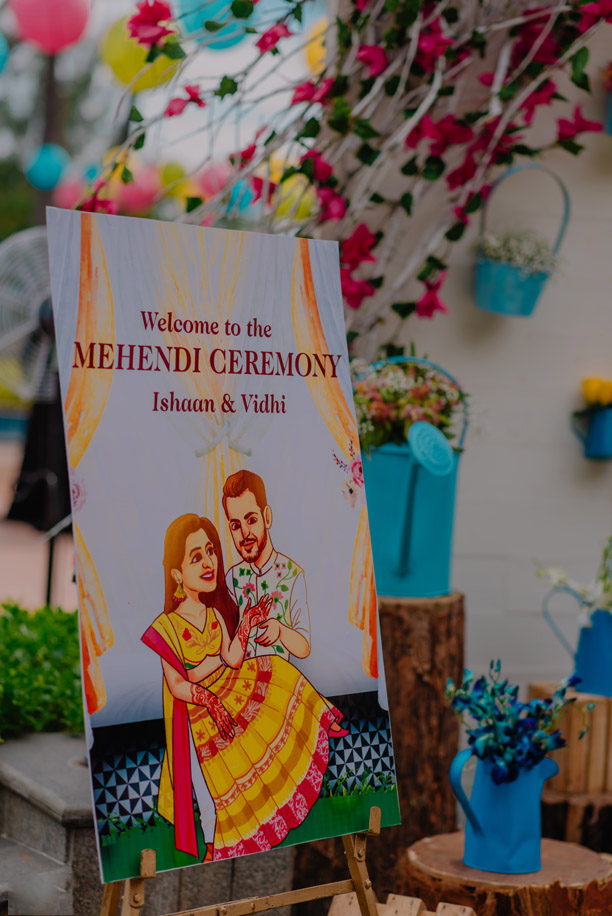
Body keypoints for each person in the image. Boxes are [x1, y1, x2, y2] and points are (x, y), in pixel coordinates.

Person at [142, 513, 343, 862]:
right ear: (176, 573)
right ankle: (214, 845)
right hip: (196, 713)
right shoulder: (166, 627)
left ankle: (319, 717)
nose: (209, 563)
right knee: (213, 785)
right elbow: (176, 684)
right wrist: (209, 700)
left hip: (229, 691)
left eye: (210, 551)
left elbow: (232, 658)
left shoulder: (214, 615)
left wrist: (246, 624)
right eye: (196, 557)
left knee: (274, 668)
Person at [222, 470, 310, 661]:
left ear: (267, 517)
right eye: (236, 526)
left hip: (281, 677)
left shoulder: (292, 574)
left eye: (251, 520)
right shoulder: (232, 579)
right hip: (243, 677)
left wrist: (280, 630)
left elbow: (304, 647)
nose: (245, 533)